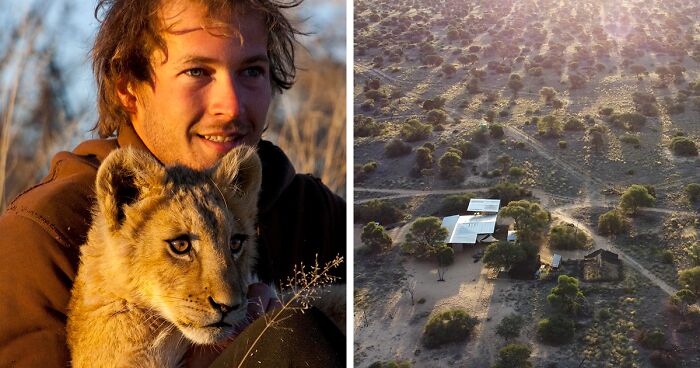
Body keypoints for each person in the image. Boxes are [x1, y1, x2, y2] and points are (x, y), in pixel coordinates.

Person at [0, 0, 345, 367]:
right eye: (198, 71)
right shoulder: (41, 233)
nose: (230, 106)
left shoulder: (313, 211)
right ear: (128, 88)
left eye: (251, 71)